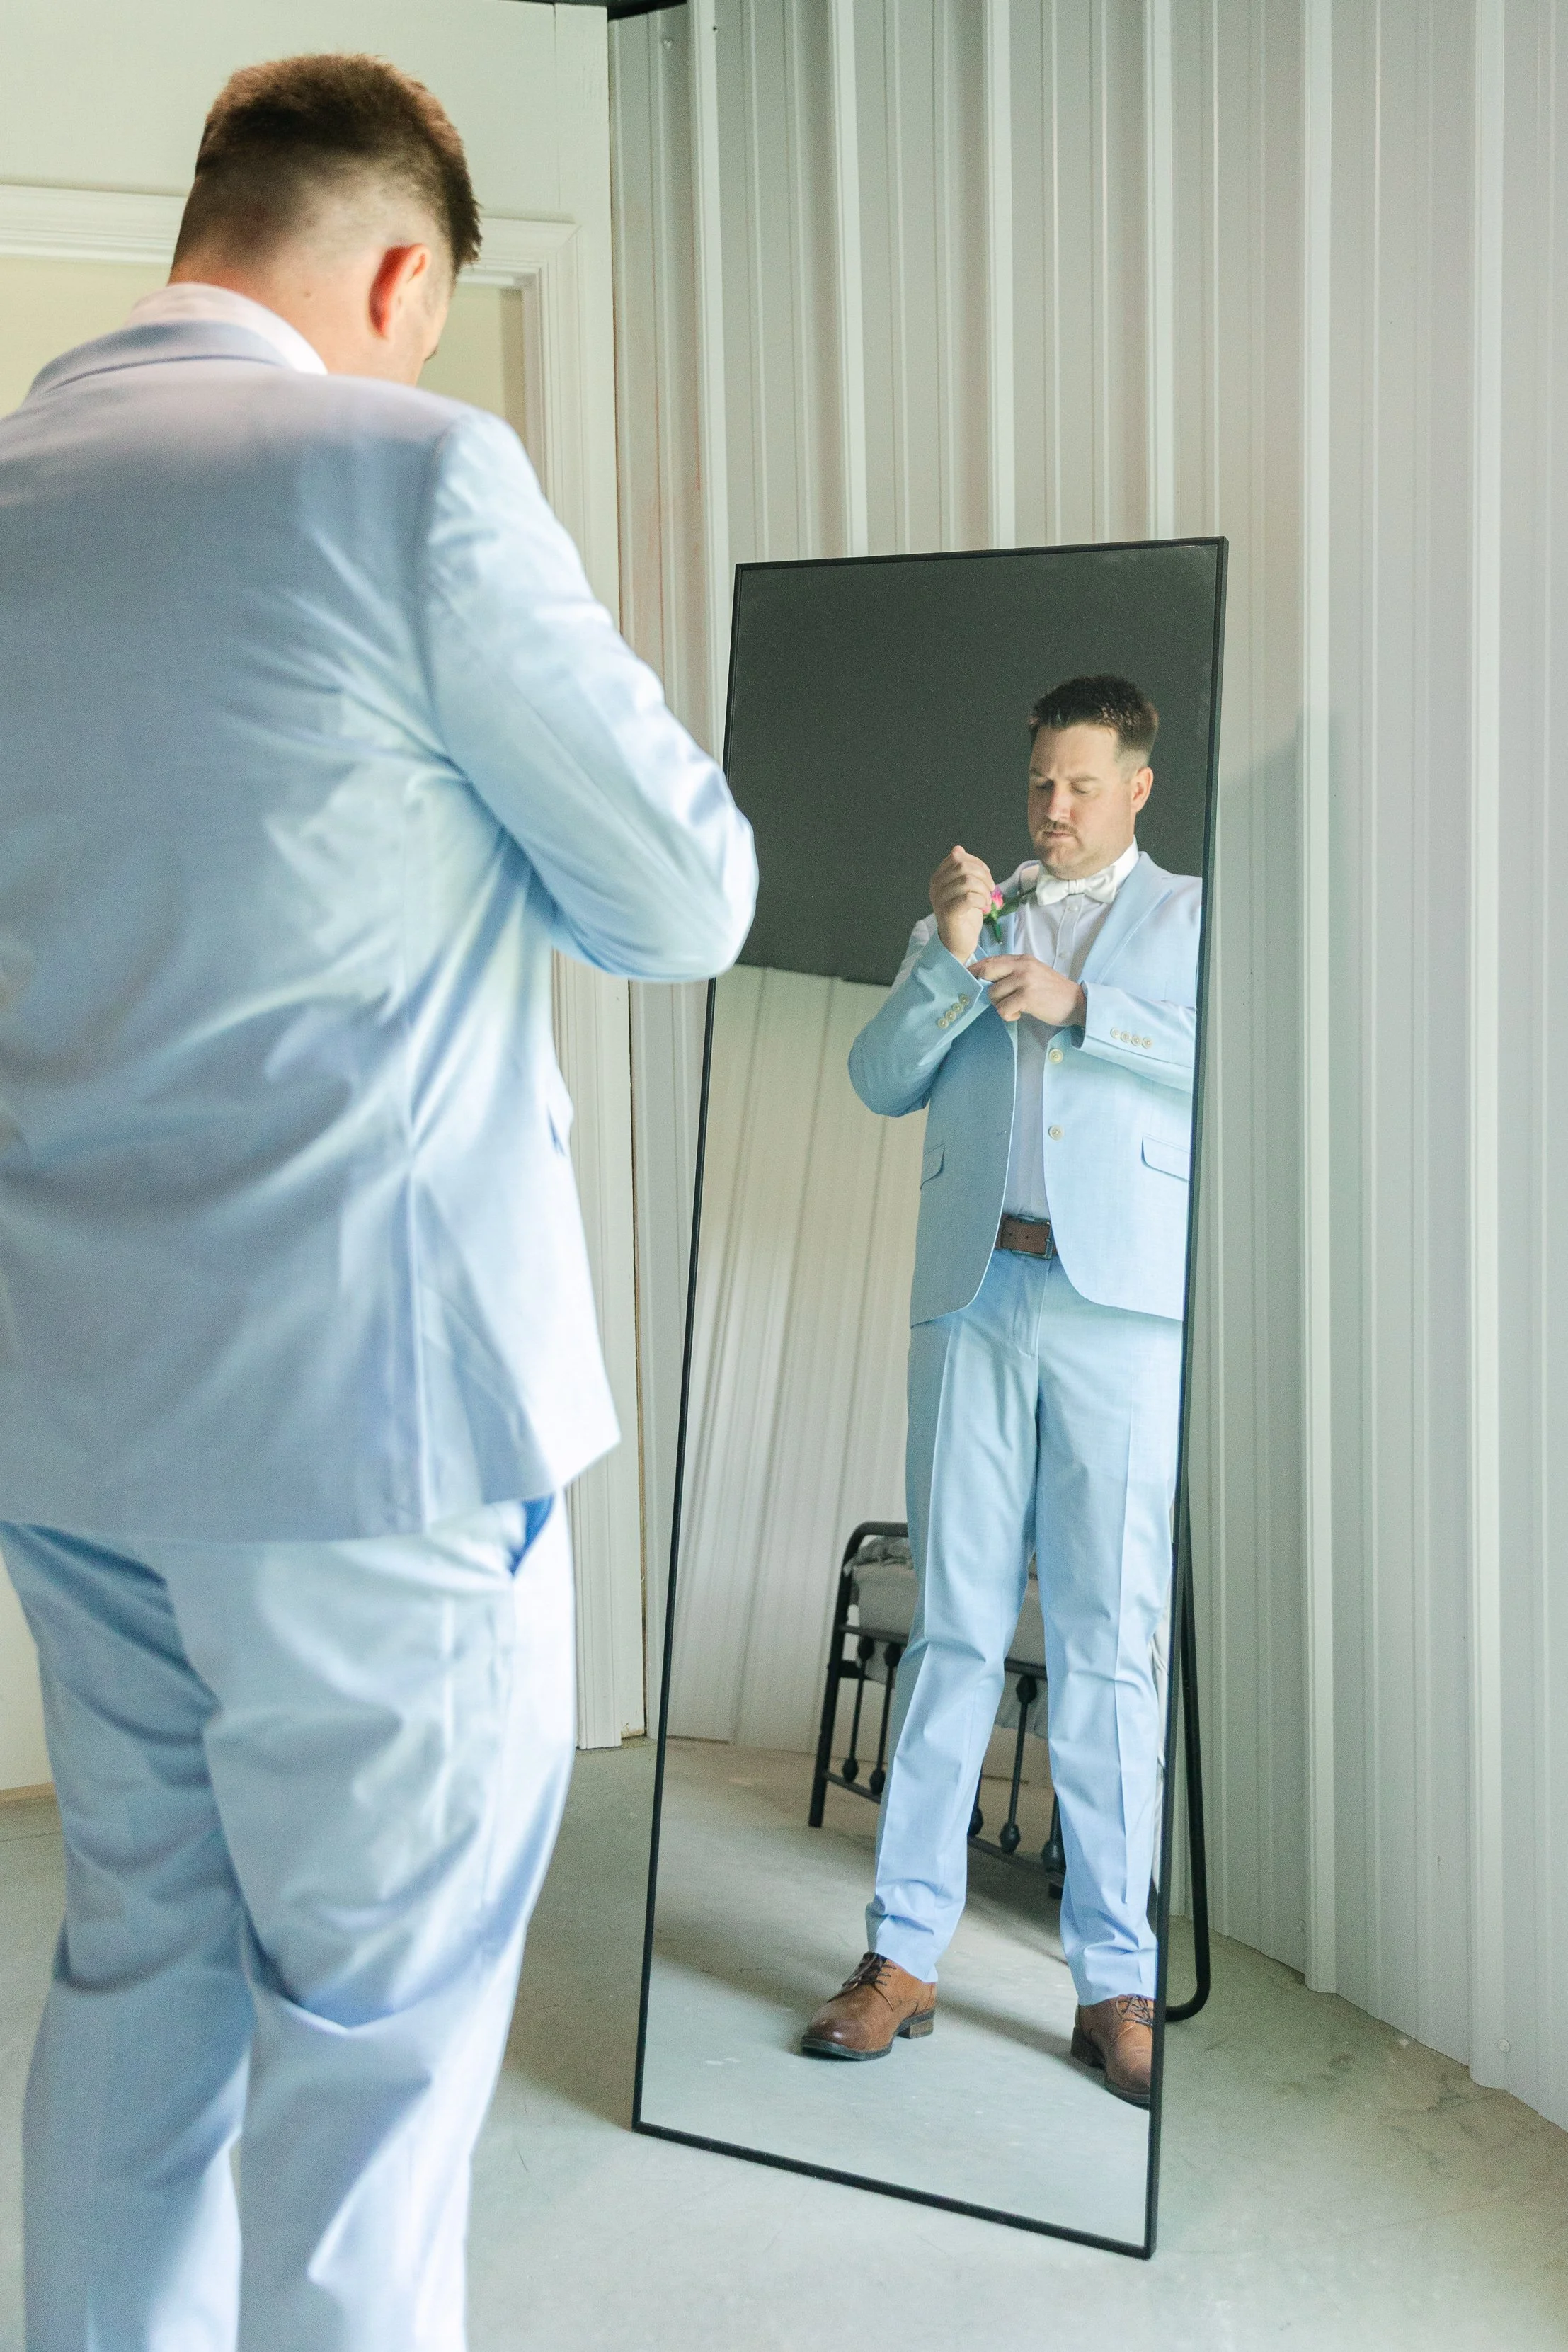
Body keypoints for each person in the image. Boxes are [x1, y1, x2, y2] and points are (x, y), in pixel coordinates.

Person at [0, 53, 755, 2351]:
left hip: (68, 1424)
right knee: (373, 2072)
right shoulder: (410, 480)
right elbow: (683, 891)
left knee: (142, 1974)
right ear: (401, 271)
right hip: (372, 1448)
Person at [803, 676, 1196, 2107]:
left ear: (1136, 787)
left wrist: (1088, 1006)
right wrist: (949, 960)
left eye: (1083, 783)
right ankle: (901, 1957)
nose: (1056, 807)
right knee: (955, 1631)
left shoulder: (1198, 921)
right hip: (972, 1303)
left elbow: (1243, 1071)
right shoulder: (961, 924)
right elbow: (879, 1077)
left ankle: (1113, 1980)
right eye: (1041, 780)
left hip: (1122, 1317)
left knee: (1109, 1644)